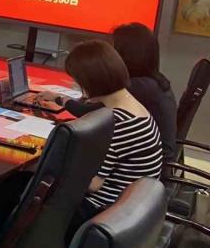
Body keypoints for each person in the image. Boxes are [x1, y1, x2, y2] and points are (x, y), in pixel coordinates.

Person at [38, 22, 177, 168]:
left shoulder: (136, 87)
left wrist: (60, 99)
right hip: (148, 165)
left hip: (146, 169)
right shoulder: (152, 81)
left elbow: (89, 113)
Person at [63, 40, 163, 220]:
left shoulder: (118, 123)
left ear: (90, 83)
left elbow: (93, 184)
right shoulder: (135, 108)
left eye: (78, 82)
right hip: (130, 207)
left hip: (102, 210)